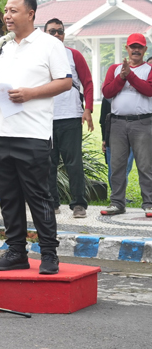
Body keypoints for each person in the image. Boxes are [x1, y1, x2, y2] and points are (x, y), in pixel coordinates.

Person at [0, 0, 72, 275]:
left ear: (30, 13)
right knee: (8, 197)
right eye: (5, 11)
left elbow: (65, 82)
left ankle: (48, 253)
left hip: (32, 134)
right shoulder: (1, 46)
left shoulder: (49, 44)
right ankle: (16, 251)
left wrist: (30, 93)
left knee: (38, 196)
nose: (7, 15)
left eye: (13, 10)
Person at [43, 18, 95, 218]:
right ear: (45, 33)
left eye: (60, 31)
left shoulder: (74, 55)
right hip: (45, 118)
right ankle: (52, 203)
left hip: (71, 116)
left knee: (74, 163)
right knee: (48, 164)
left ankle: (78, 204)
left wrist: (88, 109)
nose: (56, 35)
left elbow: (87, 82)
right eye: (52, 31)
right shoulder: (40, 56)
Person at [101, 33, 152, 218]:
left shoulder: (149, 69)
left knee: (145, 165)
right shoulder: (115, 69)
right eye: (133, 46)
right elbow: (107, 91)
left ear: (145, 49)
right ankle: (117, 203)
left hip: (142, 122)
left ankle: (149, 203)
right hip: (118, 123)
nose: (136, 50)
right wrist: (122, 77)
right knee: (117, 165)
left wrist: (129, 76)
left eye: (139, 47)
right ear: (127, 48)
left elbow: (149, 90)